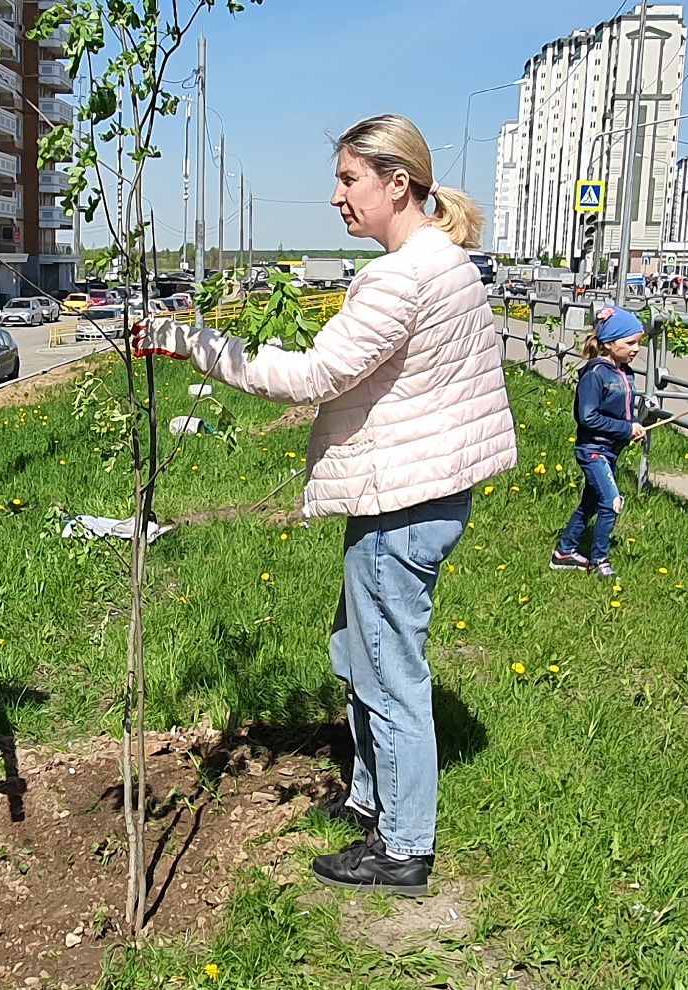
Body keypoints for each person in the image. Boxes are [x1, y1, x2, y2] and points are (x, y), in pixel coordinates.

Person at [141, 114, 517, 897]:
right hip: (425, 490)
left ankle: (403, 847)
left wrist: (192, 344)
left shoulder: (402, 274)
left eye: (349, 181)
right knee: (359, 652)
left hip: (402, 498)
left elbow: (316, 376)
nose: (337, 198)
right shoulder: (444, 262)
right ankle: (373, 802)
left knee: (388, 672)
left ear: (397, 182)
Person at [552, 308, 648, 576]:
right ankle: (600, 560)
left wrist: (633, 427)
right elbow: (587, 417)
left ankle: (564, 552)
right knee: (612, 502)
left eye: (639, 342)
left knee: (591, 503)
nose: (636, 348)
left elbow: (624, 410)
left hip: (611, 450)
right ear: (608, 343)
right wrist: (625, 428)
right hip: (592, 450)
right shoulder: (596, 374)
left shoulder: (626, 373)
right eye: (630, 342)